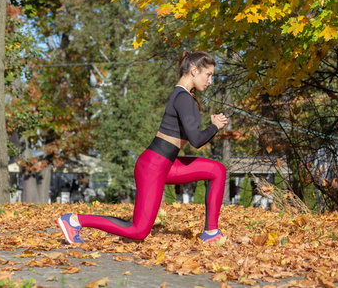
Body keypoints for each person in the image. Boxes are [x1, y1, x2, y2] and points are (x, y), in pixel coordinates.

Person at [57, 51, 228, 244]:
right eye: (209, 75)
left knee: (217, 170)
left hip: (167, 164)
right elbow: (196, 141)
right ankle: (74, 220)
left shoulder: (185, 96)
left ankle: (211, 233)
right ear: (195, 70)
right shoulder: (182, 97)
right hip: (153, 166)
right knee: (138, 231)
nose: (210, 81)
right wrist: (215, 127)